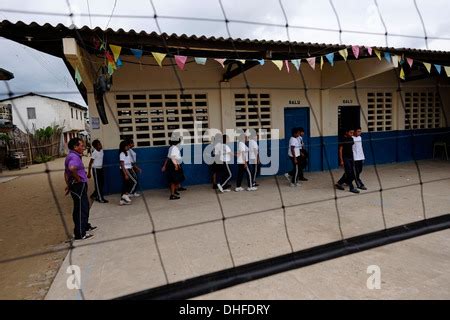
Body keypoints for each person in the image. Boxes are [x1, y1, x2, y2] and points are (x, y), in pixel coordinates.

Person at [64, 137, 96, 241]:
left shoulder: (72, 155)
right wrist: (78, 178)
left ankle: (84, 226)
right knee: (80, 208)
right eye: (81, 146)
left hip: (76, 185)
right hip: (79, 186)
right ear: (75, 147)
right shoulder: (74, 157)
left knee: (84, 206)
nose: (83, 148)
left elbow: (66, 172)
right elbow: (71, 168)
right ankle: (80, 234)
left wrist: (68, 184)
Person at [335, 129, 360, 194]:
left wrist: (354, 157)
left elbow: (352, 149)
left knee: (352, 172)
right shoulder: (343, 139)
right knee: (348, 172)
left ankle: (339, 183)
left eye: (352, 132)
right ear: (346, 132)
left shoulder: (351, 139)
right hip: (345, 158)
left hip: (351, 157)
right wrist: (341, 160)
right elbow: (340, 150)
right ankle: (351, 187)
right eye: (350, 132)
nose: (352, 134)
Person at [119, 140, 137, 205]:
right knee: (134, 182)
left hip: (129, 169)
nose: (128, 147)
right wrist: (125, 174)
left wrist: (132, 169)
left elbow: (129, 162)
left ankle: (122, 200)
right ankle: (126, 195)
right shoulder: (122, 154)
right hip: (125, 170)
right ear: (123, 147)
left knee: (126, 184)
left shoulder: (127, 152)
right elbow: (122, 165)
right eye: (126, 146)